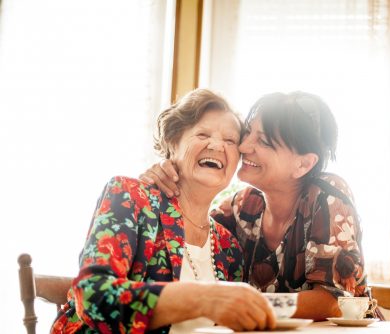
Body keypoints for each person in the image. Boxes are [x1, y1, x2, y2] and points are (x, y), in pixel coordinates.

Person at [52, 89, 275, 333]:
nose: (216, 145)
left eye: (230, 141)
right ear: (172, 143)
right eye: (202, 134)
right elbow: (93, 297)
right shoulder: (130, 196)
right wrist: (202, 298)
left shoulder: (228, 246)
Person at [141, 91, 370, 321]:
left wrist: (237, 302)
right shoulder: (242, 206)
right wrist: (167, 173)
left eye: (263, 141)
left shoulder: (327, 195)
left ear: (303, 164)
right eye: (248, 132)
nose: (243, 146)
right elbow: (194, 225)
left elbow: (332, 301)